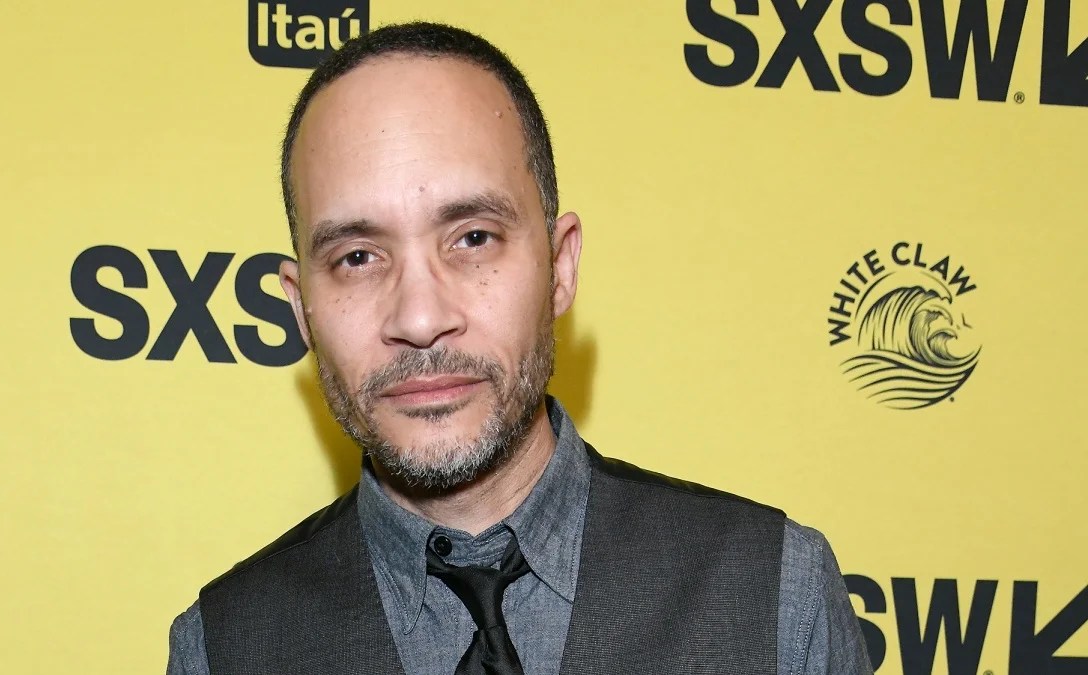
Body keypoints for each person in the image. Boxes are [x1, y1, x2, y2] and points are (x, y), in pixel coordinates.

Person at [167, 21, 873, 675]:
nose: (420, 318)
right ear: (301, 307)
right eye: (357, 257)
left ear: (560, 266)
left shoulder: (778, 597)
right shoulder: (223, 647)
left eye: (473, 238)